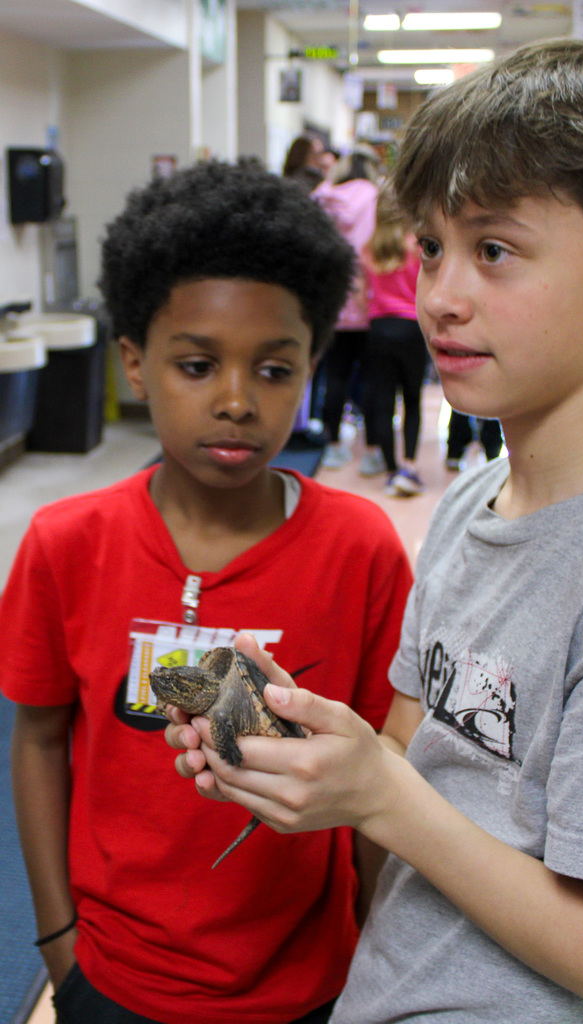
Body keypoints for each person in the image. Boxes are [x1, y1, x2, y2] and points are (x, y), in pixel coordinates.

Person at [166, 41, 583, 1024]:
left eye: (493, 249)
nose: (440, 293)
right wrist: (307, 756)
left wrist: (379, 799)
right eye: (432, 246)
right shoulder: (470, 500)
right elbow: (412, 746)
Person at [0, 159, 414, 1024]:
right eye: (197, 365)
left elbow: (384, 771)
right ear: (136, 364)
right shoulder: (65, 543)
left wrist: (380, 958)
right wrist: (57, 941)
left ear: (309, 368)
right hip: (110, 975)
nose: (235, 401)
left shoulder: (360, 548)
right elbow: (38, 741)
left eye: (273, 370)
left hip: (307, 981)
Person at [311, 144, 383, 474]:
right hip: (369, 304)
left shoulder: (322, 199)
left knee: (335, 379)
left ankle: (333, 446)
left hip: (333, 302)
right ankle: (371, 450)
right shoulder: (374, 197)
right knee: (370, 380)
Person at [360, 186, 427, 495]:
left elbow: (364, 298)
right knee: (412, 399)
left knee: (383, 402)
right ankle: (410, 466)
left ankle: (389, 469)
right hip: (411, 328)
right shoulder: (415, 247)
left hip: (379, 329)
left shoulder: (368, 250)